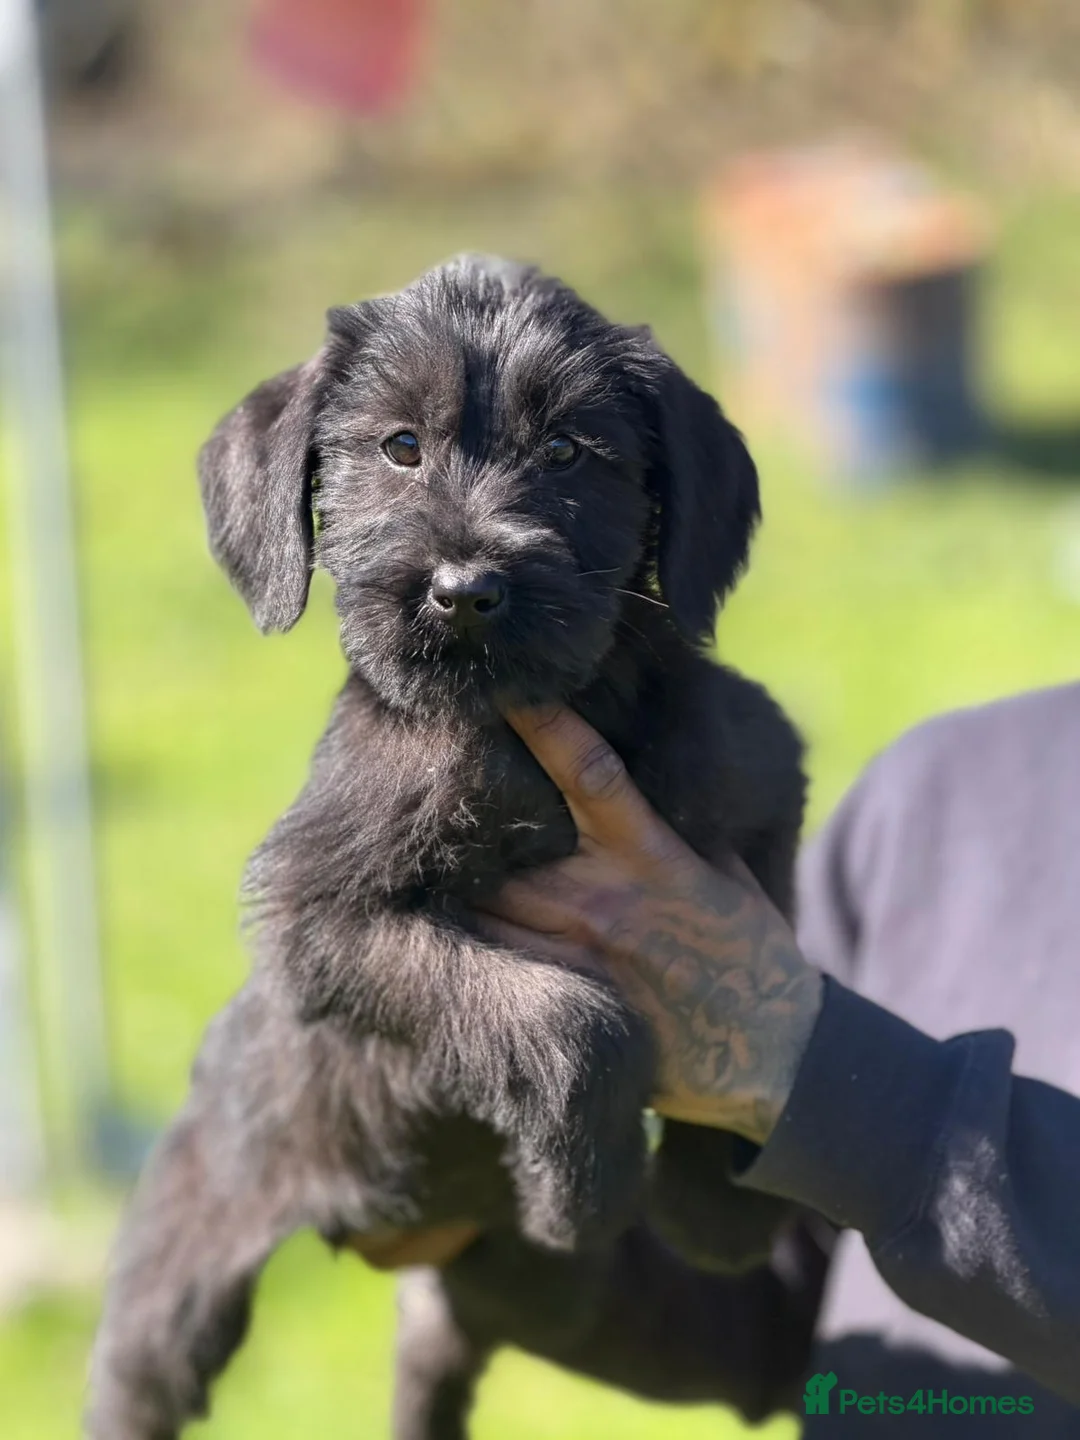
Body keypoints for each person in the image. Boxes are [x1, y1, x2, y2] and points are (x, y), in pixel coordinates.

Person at [471, 695, 1080, 1430]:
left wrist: (812, 1070)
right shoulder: (942, 787)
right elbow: (791, 1297)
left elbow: (834, 1109)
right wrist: (472, 1219)